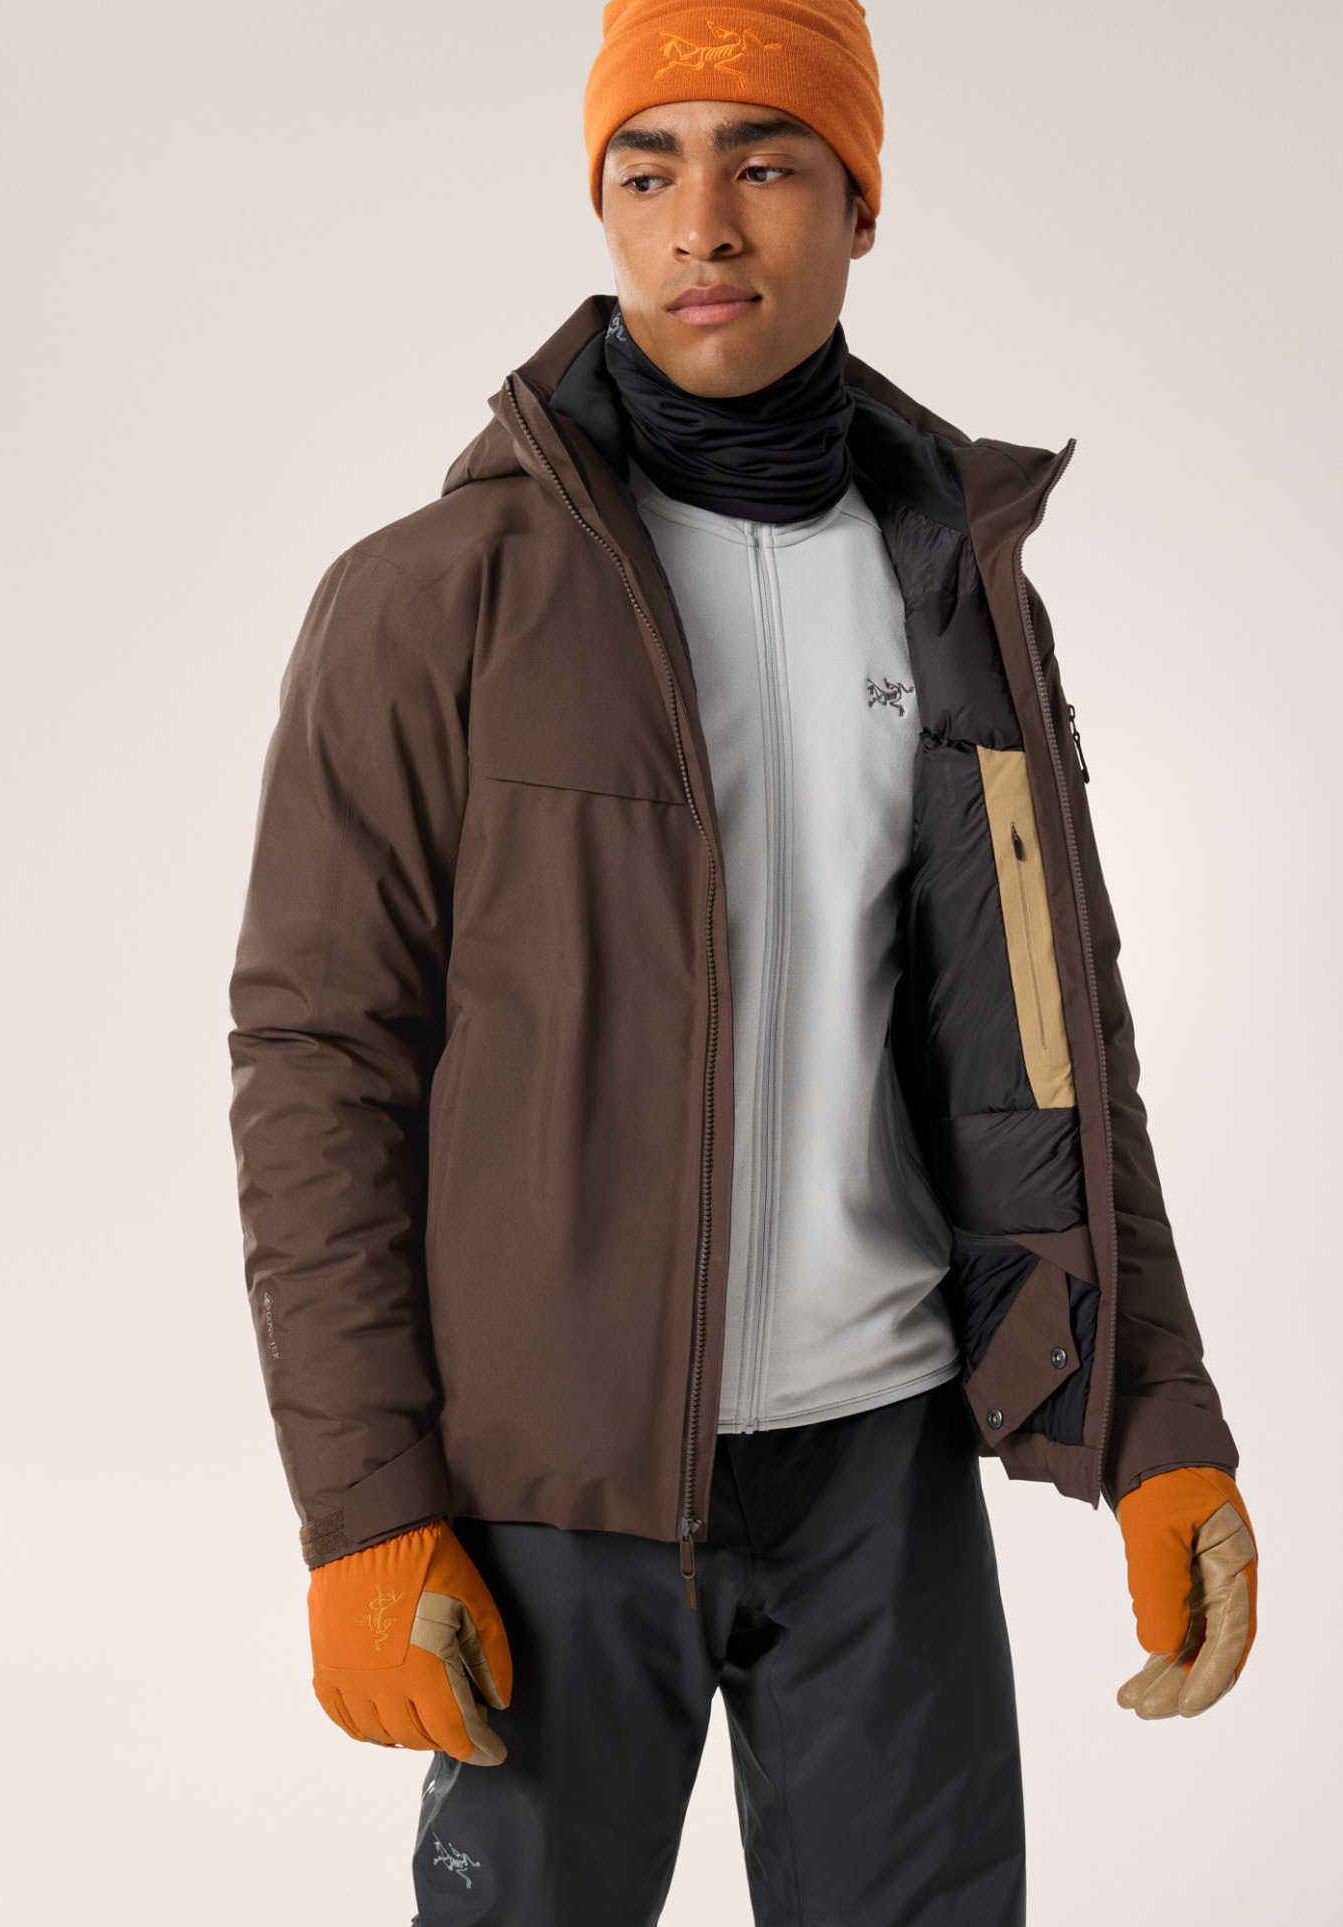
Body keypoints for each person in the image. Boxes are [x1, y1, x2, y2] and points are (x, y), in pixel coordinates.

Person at [228, 4, 1257, 1921]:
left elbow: (1055, 1043)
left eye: (764, 162)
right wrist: (365, 1512)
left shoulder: (956, 591)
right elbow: (317, 1063)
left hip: (883, 1466)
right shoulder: (429, 601)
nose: (700, 221)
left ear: (858, 206)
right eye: (647, 170)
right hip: (551, 1488)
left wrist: (1157, 1428)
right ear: (602, 207)